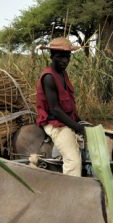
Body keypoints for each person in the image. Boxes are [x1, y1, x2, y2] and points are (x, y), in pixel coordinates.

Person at [35, 37, 84, 177]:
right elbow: (55, 109)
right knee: (73, 160)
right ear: (51, 56)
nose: (65, 61)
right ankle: (71, 191)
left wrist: (78, 120)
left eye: (67, 57)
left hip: (65, 119)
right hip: (54, 123)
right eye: (60, 57)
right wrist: (76, 127)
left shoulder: (62, 73)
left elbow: (67, 102)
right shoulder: (49, 77)